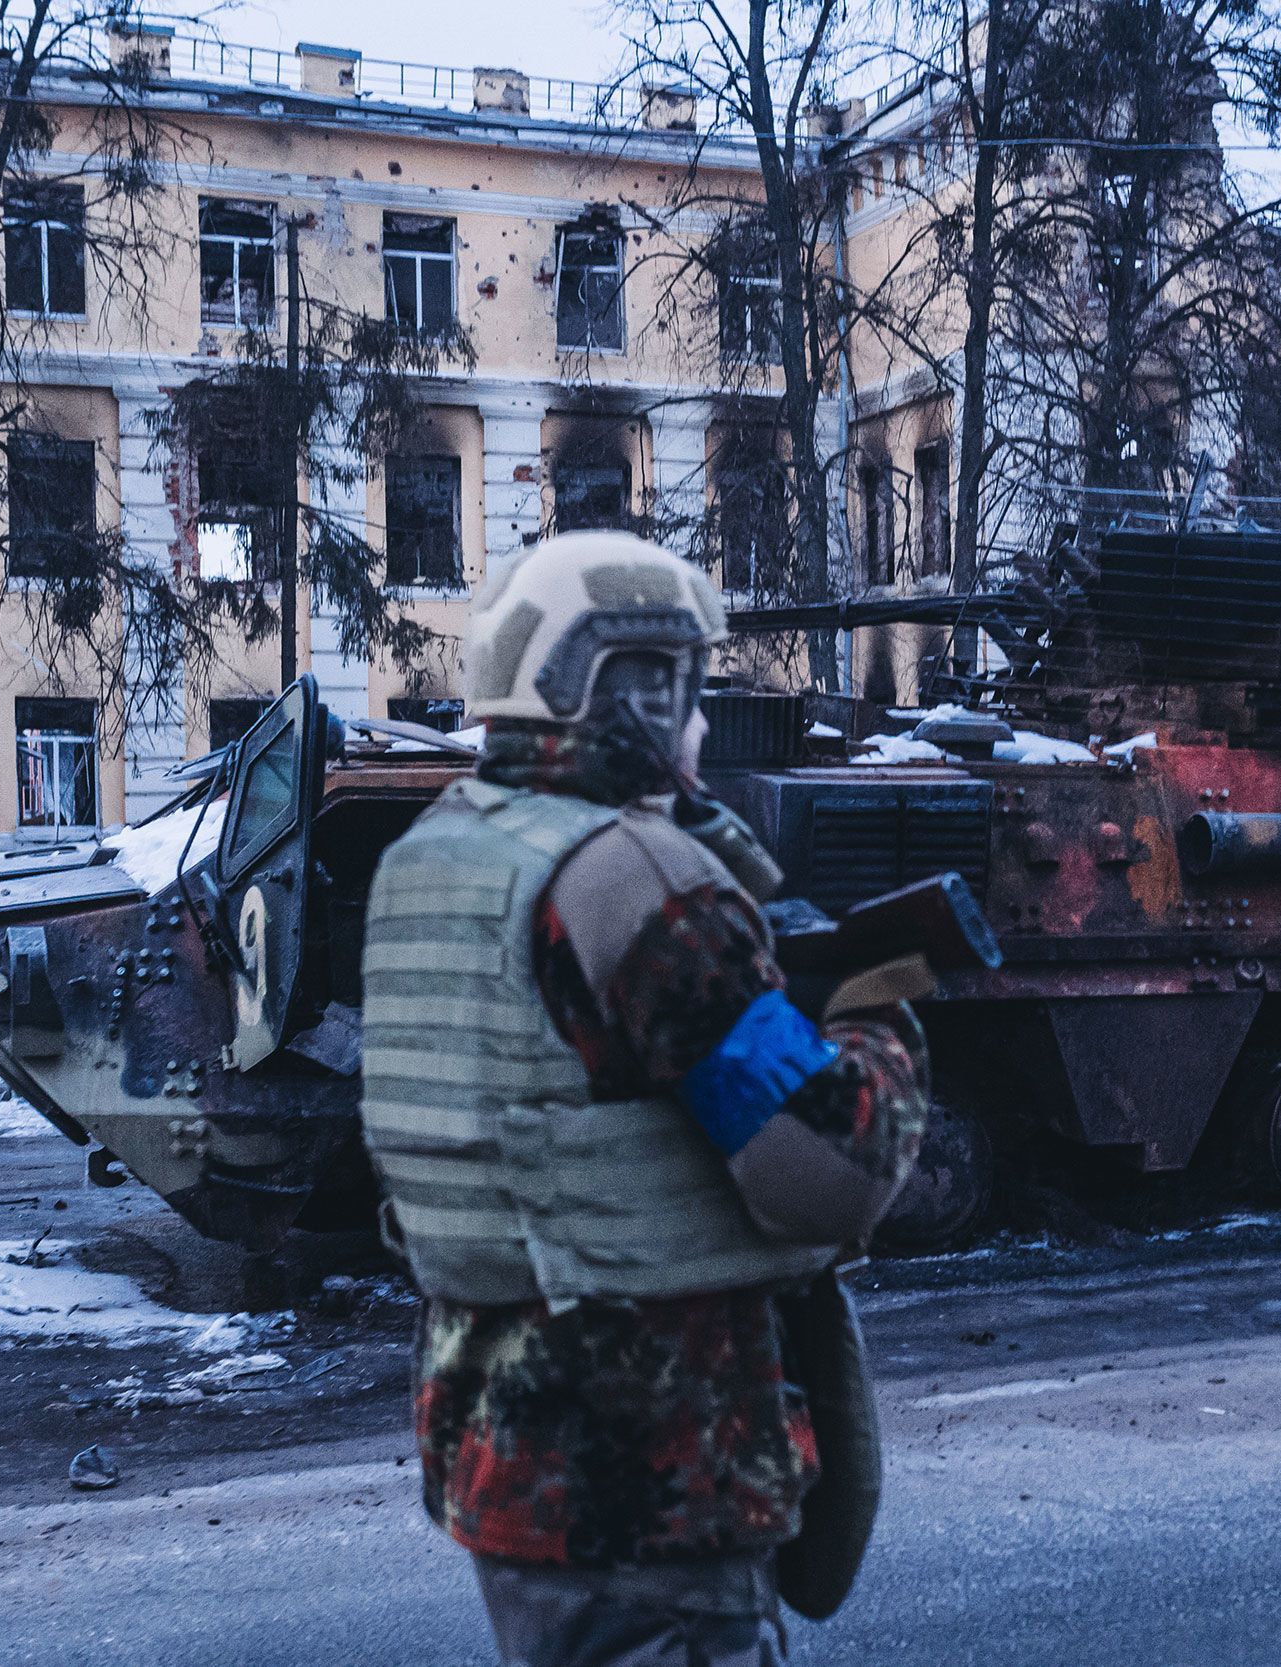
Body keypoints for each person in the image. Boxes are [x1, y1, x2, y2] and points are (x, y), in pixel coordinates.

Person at [359, 530, 930, 1667]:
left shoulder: (436, 855)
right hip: (655, 1472)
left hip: (509, 1459)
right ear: (625, 689)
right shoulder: (635, 879)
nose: (702, 725)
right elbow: (830, 1163)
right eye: (687, 689)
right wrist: (884, 1006)